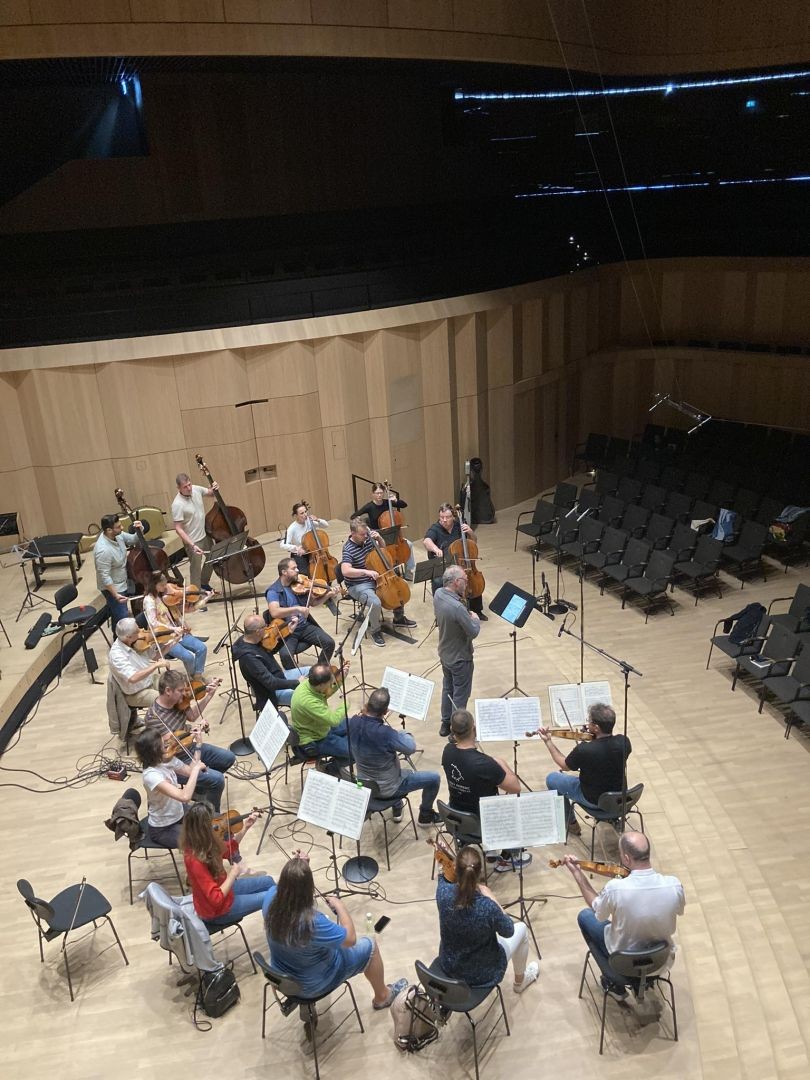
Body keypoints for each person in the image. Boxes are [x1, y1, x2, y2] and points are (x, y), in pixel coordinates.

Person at [262, 850, 406, 1011]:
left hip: (284, 977)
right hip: (311, 986)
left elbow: (289, 887)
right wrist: (340, 906)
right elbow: (350, 939)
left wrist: (300, 868)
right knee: (370, 945)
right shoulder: (312, 923)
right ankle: (383, 997)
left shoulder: (270, 898)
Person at [562, 832, 685, 1001]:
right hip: (660, 962)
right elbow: (679, 910)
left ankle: (616, 984)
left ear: (626, 858)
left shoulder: (615, 889)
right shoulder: (674, 885)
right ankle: (642, 982)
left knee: (585, 916)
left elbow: (598, 913)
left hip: (624, 964)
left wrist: (577, 873)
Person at [436, 846, 539, 993]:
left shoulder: (442, 892)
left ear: (456, 869)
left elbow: (443, 875)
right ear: (480, 873)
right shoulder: (487, 907)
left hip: (449, 967)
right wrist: (492, 898)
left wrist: (442, 855)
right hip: (483, 975)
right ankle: (519, 983)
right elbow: (508, 930)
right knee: (521, 928)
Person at [441, 709, 530, 873]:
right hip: (480, 822)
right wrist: (501, 762)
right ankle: (509, 858)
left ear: (452, 731)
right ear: (474, 729)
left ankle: (490, 849)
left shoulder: (447, 751)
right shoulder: (484, 764)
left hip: (455, 817)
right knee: (518, 807)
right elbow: (515, 787)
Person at [347, 687, 441, 827]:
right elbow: (410, 748)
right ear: (385, 711)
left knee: (393, 769)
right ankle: (425, 816)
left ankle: (397, 806)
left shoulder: (353, 722)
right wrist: (404, 733)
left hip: (365, 785)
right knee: (434, 778)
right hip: (389, 789)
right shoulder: (386, 734)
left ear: (368, 705)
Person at [145, 669, 234, 812]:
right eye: (180, 690)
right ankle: (210, 814)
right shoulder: (154, 718)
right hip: (176, 762)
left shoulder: (178, 701)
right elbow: (174, 744)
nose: (185, 694)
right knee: (217, 780)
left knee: (228, 758)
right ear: (168, 691)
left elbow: (192, 716)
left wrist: (209, 695)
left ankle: (198, 790)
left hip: (190, 748)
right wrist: (194, 734)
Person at [538, 703, 631, 837]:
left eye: (590, 722)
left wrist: (548, 741)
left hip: (594, 801)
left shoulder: (584, 750)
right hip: (620, 798)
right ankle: (612, 818)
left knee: (552, 779)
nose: (587, 724)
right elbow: (606, 753)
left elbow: (564, 765)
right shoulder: (624, 742)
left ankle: (571, 824)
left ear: (596, 727)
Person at [180, 802, 275, 928]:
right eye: (210, 823)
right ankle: (280, 930)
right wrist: (233, 874)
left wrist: (245, 828)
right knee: (274, 895)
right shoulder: (194, 860)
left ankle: (279, 920)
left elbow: (229, 848)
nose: (214, 825)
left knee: (269, 882)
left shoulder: (204, 842)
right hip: (216, 912)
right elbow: (216, 898)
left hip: (224, 889)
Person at [340, 517, 416, 649]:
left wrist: (380, 539)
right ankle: (375, 630)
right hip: (358, 584)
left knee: (398, 587)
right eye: (362, 534)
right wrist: (365, 572)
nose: (365, 536)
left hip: (376, 578)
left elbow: (383, 551)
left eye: (366, 533)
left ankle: (399, 618)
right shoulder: (348, 549)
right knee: (375, 603)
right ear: (353, 533)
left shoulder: (368, 538)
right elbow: (345, 571)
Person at [134, 724, 204, 847]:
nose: (167, 745)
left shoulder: (166, 760)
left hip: (179, 813)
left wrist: (198, 745)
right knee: (200, 840)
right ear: (155, 750)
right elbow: (185, 796)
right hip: (163, 828)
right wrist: (196, 770)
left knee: (208, 824)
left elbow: (189, 771)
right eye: (163, 745)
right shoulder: (151, 775)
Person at [434, 565, 480, 737]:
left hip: (444, 653)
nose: (467, 583)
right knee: (460, 694)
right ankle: (457, 731)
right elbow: (473, 631)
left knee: (448, 688)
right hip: (460, 657)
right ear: (455, 582)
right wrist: (475, 619)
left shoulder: (438, 594)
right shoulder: (457, 608)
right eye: (464, 580)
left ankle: (445, 723)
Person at [232, 612, 309, 711]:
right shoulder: (249, 658)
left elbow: (270, 650)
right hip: (273, 691)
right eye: (265, 626)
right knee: (309, 694)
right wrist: (297, 682)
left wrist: (289, 632)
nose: (267, 628)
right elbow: (271, 683)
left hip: (280, 676)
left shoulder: (252, 639)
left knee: (312, 671)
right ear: (258, 631)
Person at [423, 503, 487, 620]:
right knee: (437, 581)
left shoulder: (459, 525)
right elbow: (427, 541)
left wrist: (470, 532)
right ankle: (440, 614)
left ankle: (477, 610)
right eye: (441, 517)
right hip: (445, 565)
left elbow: (473, 541)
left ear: (453, 516)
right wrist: (435, 549)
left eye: (447, 517)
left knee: (473, 578)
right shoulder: (435, 528)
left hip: (460, 563)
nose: (444, 520)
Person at [266, 557, 336, 663]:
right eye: (293, 568)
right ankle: (295, 674)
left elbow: (313, 603)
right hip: (288, 630)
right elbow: (274, 612)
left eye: (297, 567)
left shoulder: (298, 584)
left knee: (329, 643)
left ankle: (320, 670)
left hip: (304, 626)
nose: (298, 570)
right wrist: (297, 609)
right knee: (286, 656)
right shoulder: (274, 591)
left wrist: (328, 595)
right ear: (284, 572)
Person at [142, 572, 208, 678]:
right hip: (165, 637)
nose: (165, 587)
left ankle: (197, 676)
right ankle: (193, 680)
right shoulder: (149, 601)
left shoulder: (160, 596)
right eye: (162, 585)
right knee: (189, 658)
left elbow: (180, 611)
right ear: (155, 584)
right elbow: (153, 623)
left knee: (202, 648)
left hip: (178, 632)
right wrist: (173, 628)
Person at [108, 616, 177, 709]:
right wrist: (155, 665)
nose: (141, 632)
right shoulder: (117, 655)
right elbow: (133, 678)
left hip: (149, 681)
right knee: (168, 700)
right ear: (128, 637)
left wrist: (174, 640)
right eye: (137, 632)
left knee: (176, 689)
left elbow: (156, 656)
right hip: (137, 693)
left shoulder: (137, 643)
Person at [289, 663, 351, 762]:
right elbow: (334, 720)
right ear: (321, 685)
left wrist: (340, 680)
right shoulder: (308, 701)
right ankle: (330, 767)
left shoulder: (309, 684)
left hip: (321, 728)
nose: (331, 682)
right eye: (329, 681)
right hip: (314, 740)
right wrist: (346, 703)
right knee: (356, 751)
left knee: (356, 724)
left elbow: (325, 693)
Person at [94, 512, 144, 630]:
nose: (122, 528)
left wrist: (139, 529)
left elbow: (133, 539)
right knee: (123, 617)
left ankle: (117, 636)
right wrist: (115, 594)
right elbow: (105, 576)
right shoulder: (103, 550)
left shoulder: (118, 535)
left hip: (122, 580)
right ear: (109, 530)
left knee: (118, 617)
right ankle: (121, 639)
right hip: (113, 587)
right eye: (118, 527)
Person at [355, 482, 416, 579]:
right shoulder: (369, 506)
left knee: (409, 544)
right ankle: (389, 571)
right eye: (377, 493)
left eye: (381, 493)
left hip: (392, 535)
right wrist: (366, 526)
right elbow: (354, 516)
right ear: (373, 494)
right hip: (378, 535)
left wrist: (396, 500)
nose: (379, 495)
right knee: (383, 549)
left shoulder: (387, 502)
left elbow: (404, 505)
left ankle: (409, 570)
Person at [171, 472, 219, 591]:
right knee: (195, 568)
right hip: (192, 541)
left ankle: (204, 582)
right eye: (185, 487)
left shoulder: (195, 489)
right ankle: (195, 595)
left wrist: (214, 487)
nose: (189, 488)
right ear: (178, 488)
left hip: (204, 535)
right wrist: (192, 545)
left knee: (213, 557)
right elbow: (178, 528)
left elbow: (210, 493)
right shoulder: (177, 504)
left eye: (189, 484)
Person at [281, 500, 331, 576]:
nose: (305, 515)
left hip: (313, 552)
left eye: (305, 512)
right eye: (302, 513)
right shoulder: (292, 528)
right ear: (296, 516)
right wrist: (297, 548)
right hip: (301, 555)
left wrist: (317, 519)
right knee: (305, 575)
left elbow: (326, 525)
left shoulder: (309, 521)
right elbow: (283, 545)